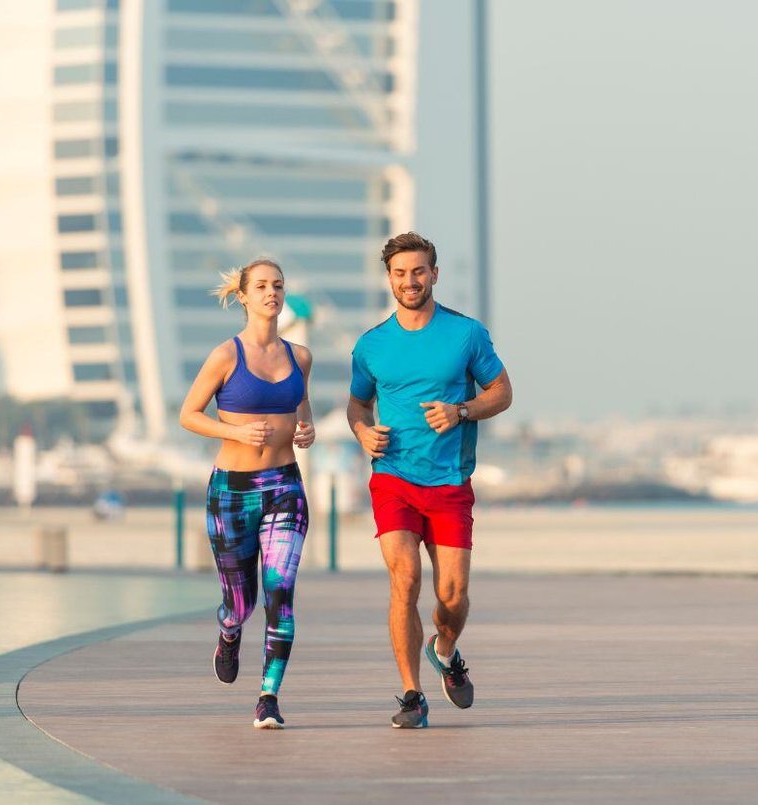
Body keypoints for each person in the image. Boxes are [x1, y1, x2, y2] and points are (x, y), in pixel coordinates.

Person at [347, 232, 513, 728]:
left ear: (434, 275)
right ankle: (410, 696)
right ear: (389, 279)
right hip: (393, 478)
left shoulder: (466, 334)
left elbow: (502, 392)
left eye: (418, 271)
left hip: (449, 482)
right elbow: (357, 402)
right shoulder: (371, 344)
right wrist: (361, 431)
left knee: (453, 596)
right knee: (405, 581)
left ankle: (445, 649)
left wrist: (462, 410)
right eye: (400, 273)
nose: (409, 281)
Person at [179, 258, 315, 730]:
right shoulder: (225, 356)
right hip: (232, 492)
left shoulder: (299, 357)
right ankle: (229, 631)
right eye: (261, 286)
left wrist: (307, 427)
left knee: (281, 594)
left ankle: (268, 697)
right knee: (243, 602)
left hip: (285, 488)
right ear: (243, 296)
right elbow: (189, 414)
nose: (271, 293)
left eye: (277, 285)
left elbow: (300, 404)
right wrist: (234, 432)